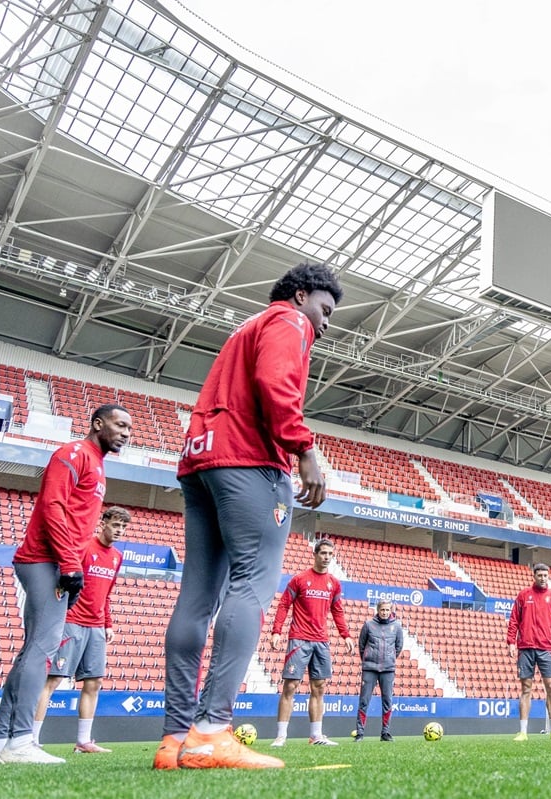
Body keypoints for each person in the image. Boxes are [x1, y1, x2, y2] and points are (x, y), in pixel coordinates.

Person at [156, 262, 342, 770]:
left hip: (201, 460)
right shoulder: (289, 322)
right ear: (301, 295)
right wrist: (303, 448)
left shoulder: (248, 326)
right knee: (252, 585)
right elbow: (274, 381)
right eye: (325, 310)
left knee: (196, 594)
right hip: (248, 460)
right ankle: (212, 730)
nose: (325, 324)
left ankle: (175, 740)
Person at [0, 404, 133, 765]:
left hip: (55, 561)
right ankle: (20, 741)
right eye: (120, 424)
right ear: (98, 424)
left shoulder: (97, 463)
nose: (126, 432)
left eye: (130, 428)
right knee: (42, 649)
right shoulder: (73, 453)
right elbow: (52, 506)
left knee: (32, 651)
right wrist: (69, 563)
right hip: (44, 560)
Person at [31, 506, 133, 753]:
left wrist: (108, 623)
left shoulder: (117, 557)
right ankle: (31, 739)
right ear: (104, 523)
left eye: (123, 527)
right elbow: (65, 580)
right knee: (54, 680)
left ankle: (83, 742)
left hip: (97, 627)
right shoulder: (85, 548)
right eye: (115, 525)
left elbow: (107, 594)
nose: (119, 530)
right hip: (72, 621)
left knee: (94, 682)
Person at [269, 538, 355, 747]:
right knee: (291, 685)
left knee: (319, 687)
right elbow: (283, 605)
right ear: (315, 554)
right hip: (299, 639)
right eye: (323, 553)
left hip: (321, 641)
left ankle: (315, 735)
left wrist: (346, 635)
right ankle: (281, 736)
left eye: (330, 554)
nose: (327, 558)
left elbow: (337, 610)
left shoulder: (334, 583)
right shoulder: (299, 579)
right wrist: (276, 631)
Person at [506, 562, 551, 741]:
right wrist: (511, 642)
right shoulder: (524, 596)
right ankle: (523, 732)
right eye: (539, 575)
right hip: (525, 647)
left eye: (545, 575)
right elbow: (514, 620)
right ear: (534, 576)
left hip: (546, 648)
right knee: (526, 688)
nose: (543, 578)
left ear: (549, 576)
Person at [354, 600, 404, 741]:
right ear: (378, 610)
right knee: (364, 701)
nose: (385, 612)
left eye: (387, 610)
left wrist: (390, 658)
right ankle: (360, 733)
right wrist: (368, 659)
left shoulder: (397, 627)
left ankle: (385, 733)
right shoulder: (368, 625)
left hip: (388, 669)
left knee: (387, 701)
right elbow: (361, 646)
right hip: (370, 668)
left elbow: (398, 647)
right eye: (382, 610)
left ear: (391, 610)